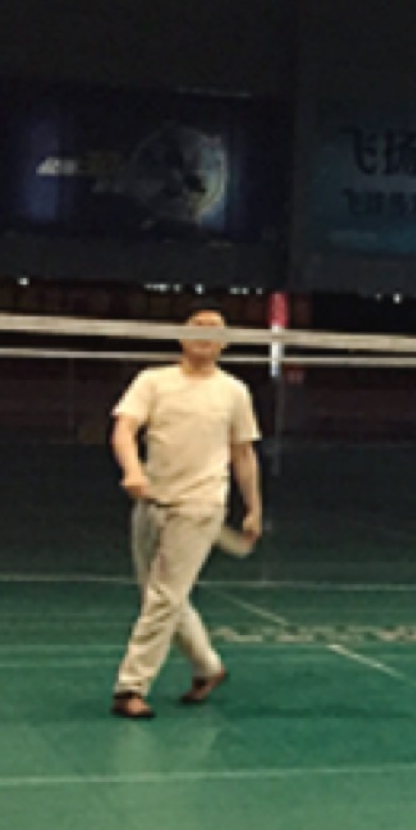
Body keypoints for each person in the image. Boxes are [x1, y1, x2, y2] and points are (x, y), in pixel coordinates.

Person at [108, 307, 262, 719]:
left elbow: (243, 453)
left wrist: (253, 508)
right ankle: (208, 667)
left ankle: (130, 686)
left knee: (164, 597)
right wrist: (133, 471)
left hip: (200, 505)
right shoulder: (153, 381)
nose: (206, 333)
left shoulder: (234, 392)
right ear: (180, 336)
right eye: (197, 326)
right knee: (161, 595)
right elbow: (124, 429)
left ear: (225, 343)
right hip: (152, 500)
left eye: (216, 329)